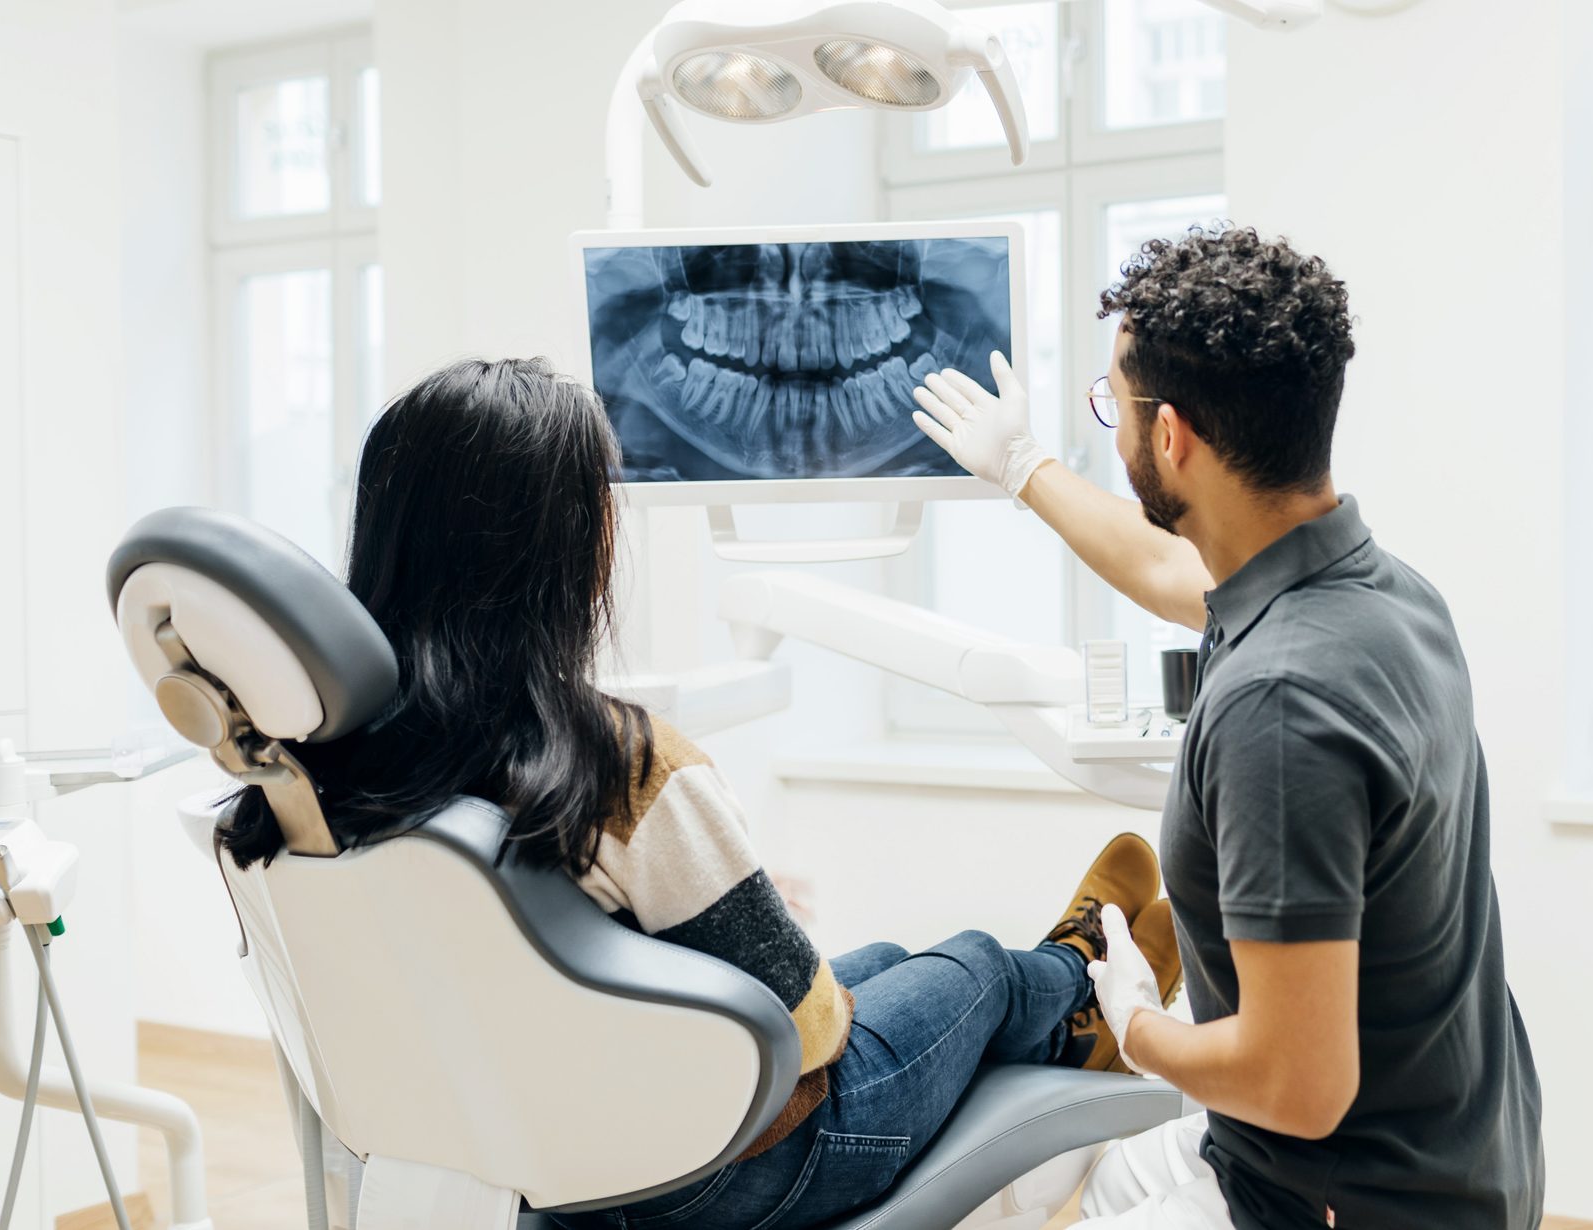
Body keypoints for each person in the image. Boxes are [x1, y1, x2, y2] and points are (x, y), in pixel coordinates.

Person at [214, 356, 1185, 1230]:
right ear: (568, 546)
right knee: (973, 962)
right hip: (744, 1171)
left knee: (891, 958)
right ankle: (1090, 979)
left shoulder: (320, 780)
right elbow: (809, 1027)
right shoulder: (619, 767)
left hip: (552, 1159)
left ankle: (1061, 1010)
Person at [911, 226, 1544, 1229]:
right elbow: (1167, 568)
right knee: (1033, 1185)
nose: (1112, 429)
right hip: (1446, 1150)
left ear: (1170, 438)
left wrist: (1136, 1024)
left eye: (1111, 407)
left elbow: (1300, 1086)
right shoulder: (1379, 592)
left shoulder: (1278, 705)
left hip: (1343, 1196)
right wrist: (1021, 466)